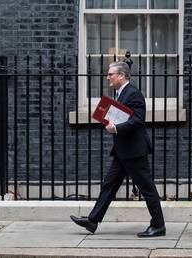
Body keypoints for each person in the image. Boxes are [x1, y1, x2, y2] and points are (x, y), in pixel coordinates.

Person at [70, 62, 166, 237]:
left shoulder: (134, 94)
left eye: (110, 74)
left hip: (134, 151)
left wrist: (116, 129)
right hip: (123, 151)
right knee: (109, 185)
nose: (108, 77)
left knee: (146, 188)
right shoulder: (121, 94)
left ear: (121, 75)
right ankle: (92, 221)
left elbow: (137, 120)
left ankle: (158, 225)